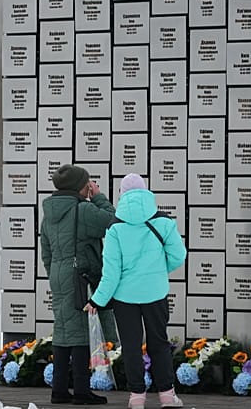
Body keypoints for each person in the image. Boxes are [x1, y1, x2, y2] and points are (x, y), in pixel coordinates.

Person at [85, 174, 187, 409]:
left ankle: (137, 397)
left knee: (131, 346)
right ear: (145, 192)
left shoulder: (115, 227)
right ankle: (167, 396)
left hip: (125, 298)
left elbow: (111, 273)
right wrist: (158, 272)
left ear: (122, 195)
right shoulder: (163, 221)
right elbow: (178, 256)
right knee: (159, 343)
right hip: (156, 293)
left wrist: (96, 301)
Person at [40, 164, 117, 405]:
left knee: (63, 331)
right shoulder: (82, 210)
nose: (89, 185)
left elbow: (46, 251)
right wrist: (99, 197)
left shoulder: (49, 213)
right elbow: (112, 220)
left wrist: (55, 272)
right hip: (80, 277)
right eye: (87, 182)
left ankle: (59, 390)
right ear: (78, 186)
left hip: (60, 275)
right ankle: (82, 391)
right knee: (81, 333)